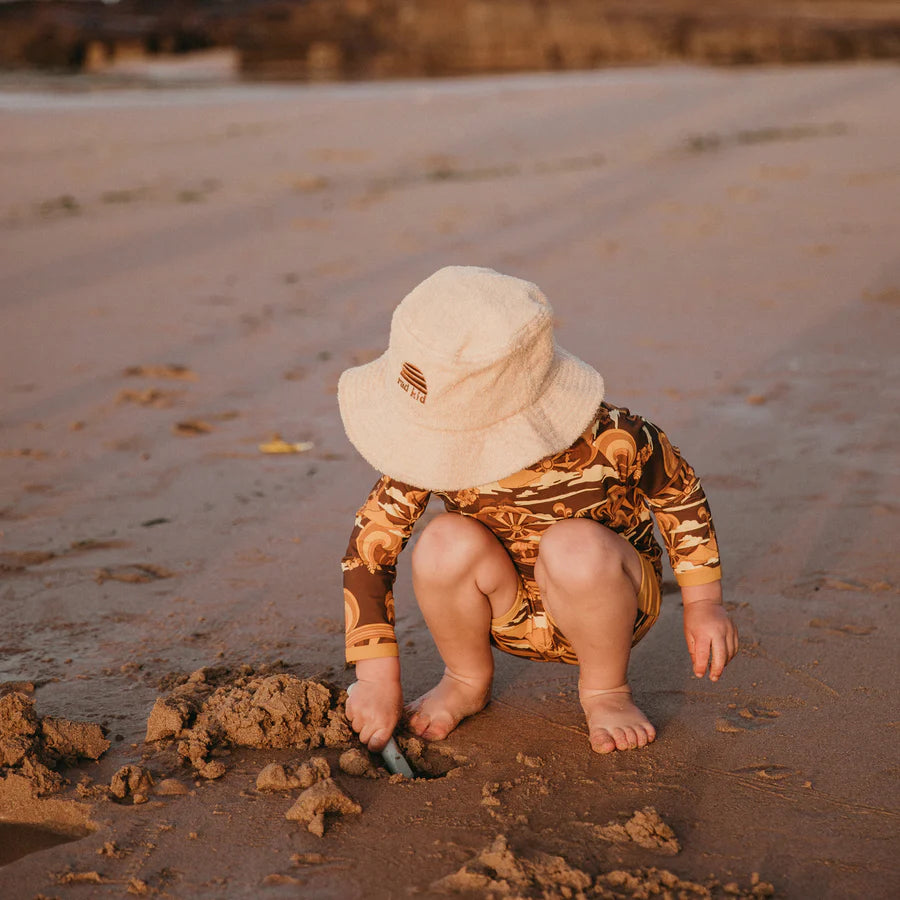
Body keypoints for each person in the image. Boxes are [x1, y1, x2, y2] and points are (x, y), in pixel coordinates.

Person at [338, 266, 738, 755]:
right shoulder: (428, 453)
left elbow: (679, 496)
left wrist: (703, 604)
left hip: (610, 602)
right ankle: (465, 678)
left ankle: (605, 690)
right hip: (503, 607)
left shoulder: (615, 436)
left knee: (574, 544)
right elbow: (370, 547)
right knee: (443, 540)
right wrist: (376, 677)